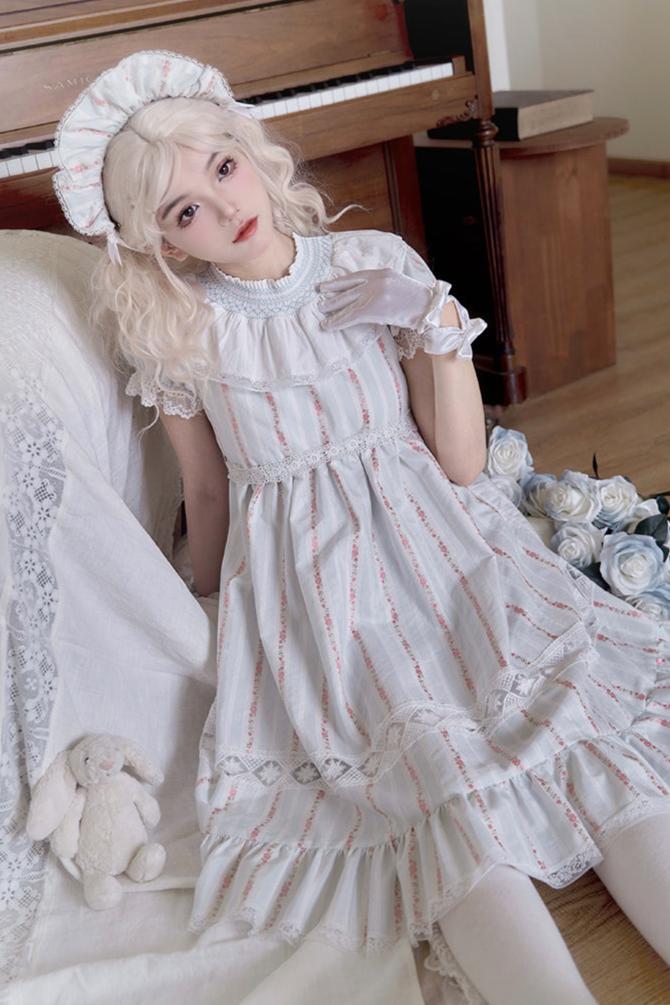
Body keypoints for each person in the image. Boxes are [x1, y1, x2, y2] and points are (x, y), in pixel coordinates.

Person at [52, 50, 670, 1005]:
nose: (223, 207)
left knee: (568, 719)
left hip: (445, 548)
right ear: (164, 243)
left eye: (223, 168)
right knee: (430, 786)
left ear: (249, 150)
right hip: (316, 596)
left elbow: (459, 462)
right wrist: (205, 612)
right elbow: (208, 494)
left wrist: (432, 324)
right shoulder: (181, 335)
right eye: (183, 211)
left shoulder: (375, 264)